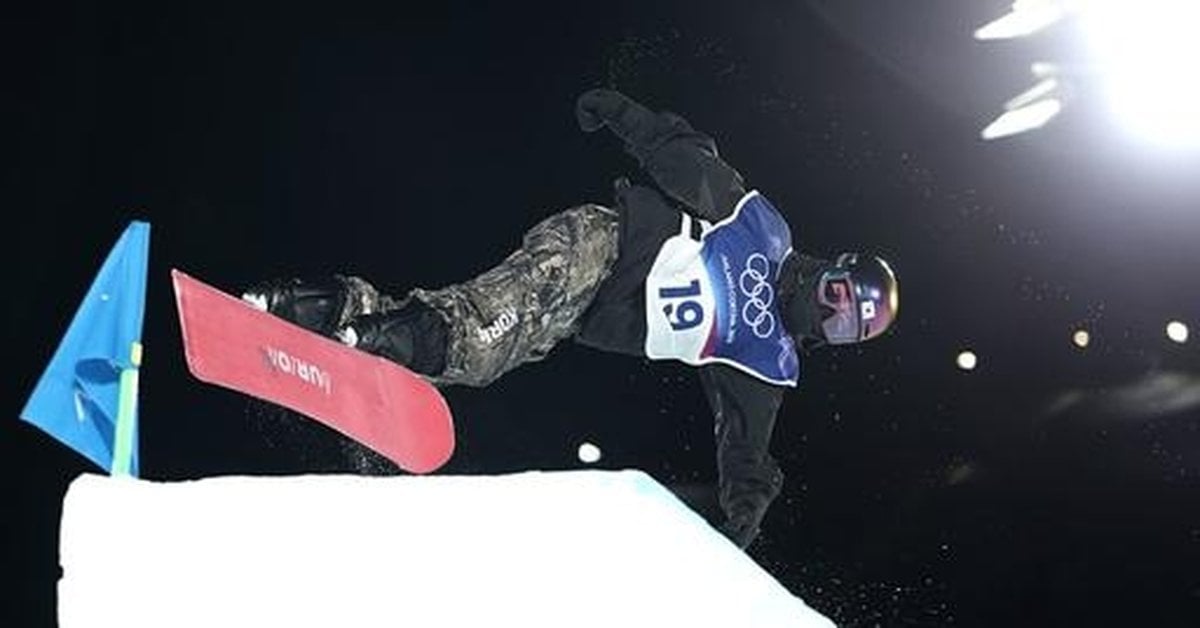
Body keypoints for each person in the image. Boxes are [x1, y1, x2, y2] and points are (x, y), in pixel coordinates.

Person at [244, 89, 899, 549]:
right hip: (600, 246)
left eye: (845, 326)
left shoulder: (766, 361)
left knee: (474, 356)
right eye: (838, 297)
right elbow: (691, 162)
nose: (828, 314)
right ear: (832, 269)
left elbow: (745, 449)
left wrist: (744, 512)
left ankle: (328, 308)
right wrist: (625, 116)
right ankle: (374, 341)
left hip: (583, 315)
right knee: (481, 333)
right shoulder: (764, 233)